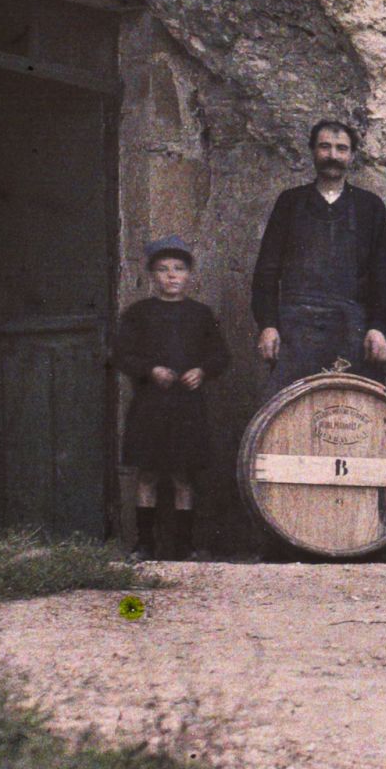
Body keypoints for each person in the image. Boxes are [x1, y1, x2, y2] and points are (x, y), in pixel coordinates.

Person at [251, 119, 386, 395]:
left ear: (352, 156)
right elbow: (267, 271)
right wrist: (268, 324)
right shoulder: (290, 203)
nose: (333, 155)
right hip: (296, 327)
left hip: (350, 328)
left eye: (341, 149)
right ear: (312, 151)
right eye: (325, 147)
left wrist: (378, 327)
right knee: (290, 411)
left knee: (346, 415)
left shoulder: (370, 207)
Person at [114, 237, 230, 561]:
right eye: (163, 270)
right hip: (150, 405)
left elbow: (221, 355)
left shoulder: (201, 315)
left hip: (187, 407)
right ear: (152, 275)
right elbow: (122, 354)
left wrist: (202, 371)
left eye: (178, 269)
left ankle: (184, 545)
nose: (171, 276)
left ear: (189, 274)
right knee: (148, 474)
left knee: (183, 475)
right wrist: (150, 369)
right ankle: (144, 543)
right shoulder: (138, 314)